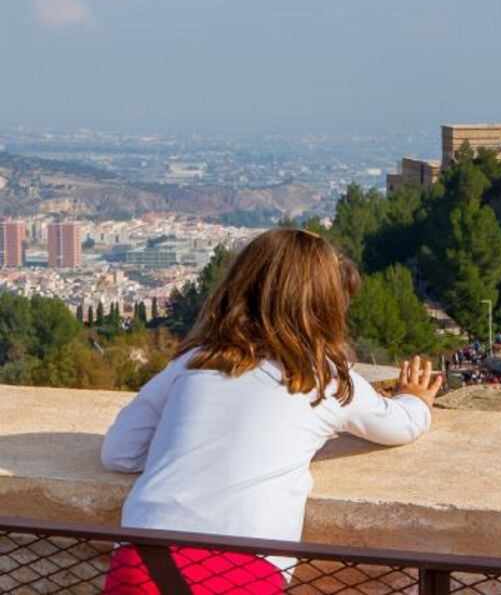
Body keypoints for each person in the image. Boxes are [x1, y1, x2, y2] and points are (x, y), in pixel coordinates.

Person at [100, 229, 442, 593]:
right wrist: (415, 399)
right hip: (242, 572)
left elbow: (118, 454)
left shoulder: (193, 363)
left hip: (144, 566)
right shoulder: (324, 378)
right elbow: (401, 426)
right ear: (327, 304)